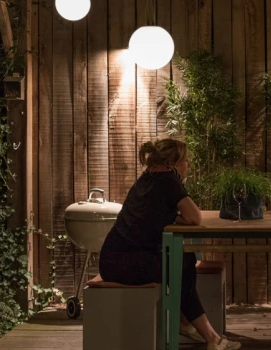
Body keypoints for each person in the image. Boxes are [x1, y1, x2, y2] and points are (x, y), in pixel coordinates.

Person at [99, 139, 240, 350]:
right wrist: (178, 217)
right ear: (172, 163)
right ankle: (209, 336)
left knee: (183, 259)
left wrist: (173, 217)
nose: (188, 165)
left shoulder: (147, 178)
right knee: (180, 264)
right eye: (185, 160)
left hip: (112, 260)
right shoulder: (167, 180)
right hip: (126, 263)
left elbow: (156, 215)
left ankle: (190, 324)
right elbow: (195, 217)